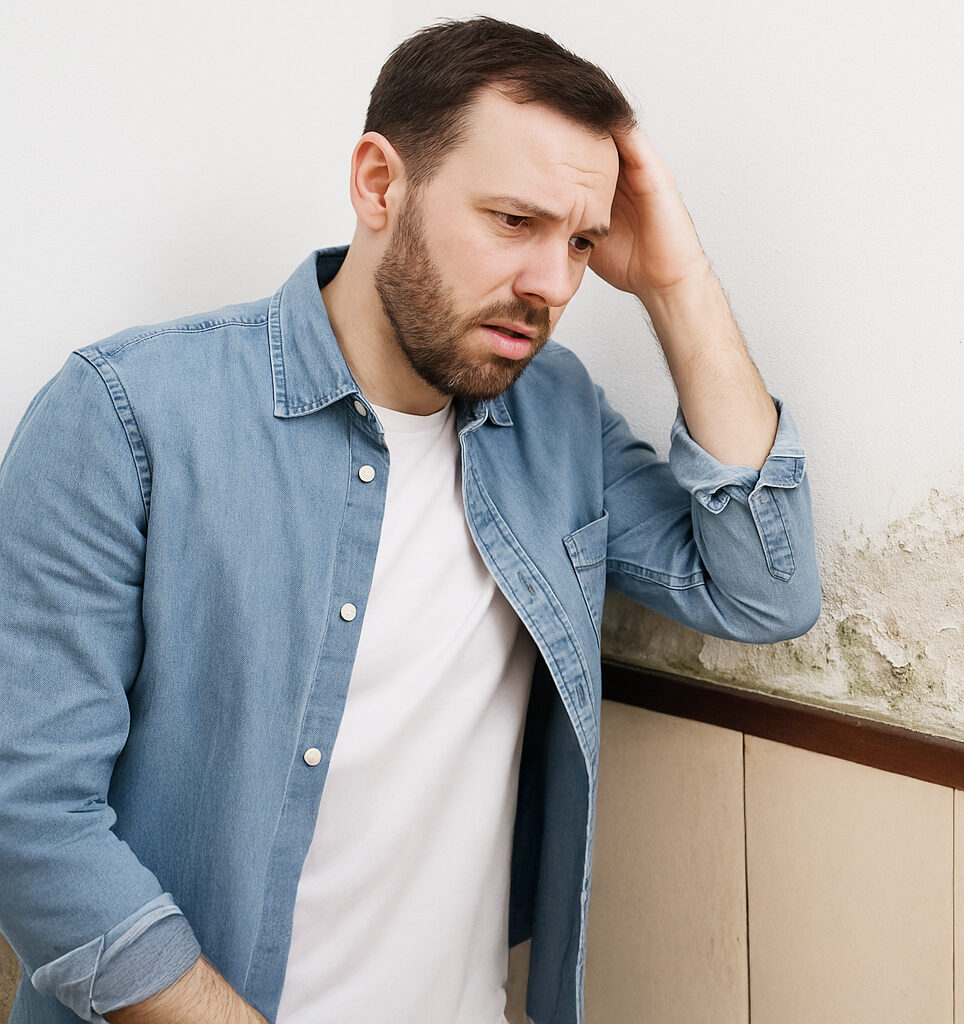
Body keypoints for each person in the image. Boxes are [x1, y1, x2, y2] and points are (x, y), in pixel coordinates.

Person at [0, 17, 819, 1024]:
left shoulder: (553, 418)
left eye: (581, 242)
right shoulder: (127, 415)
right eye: (514, 222)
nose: (552, 285)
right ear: (380, 184)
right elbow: (28, 816)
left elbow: (762, 588)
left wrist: (676, 279)